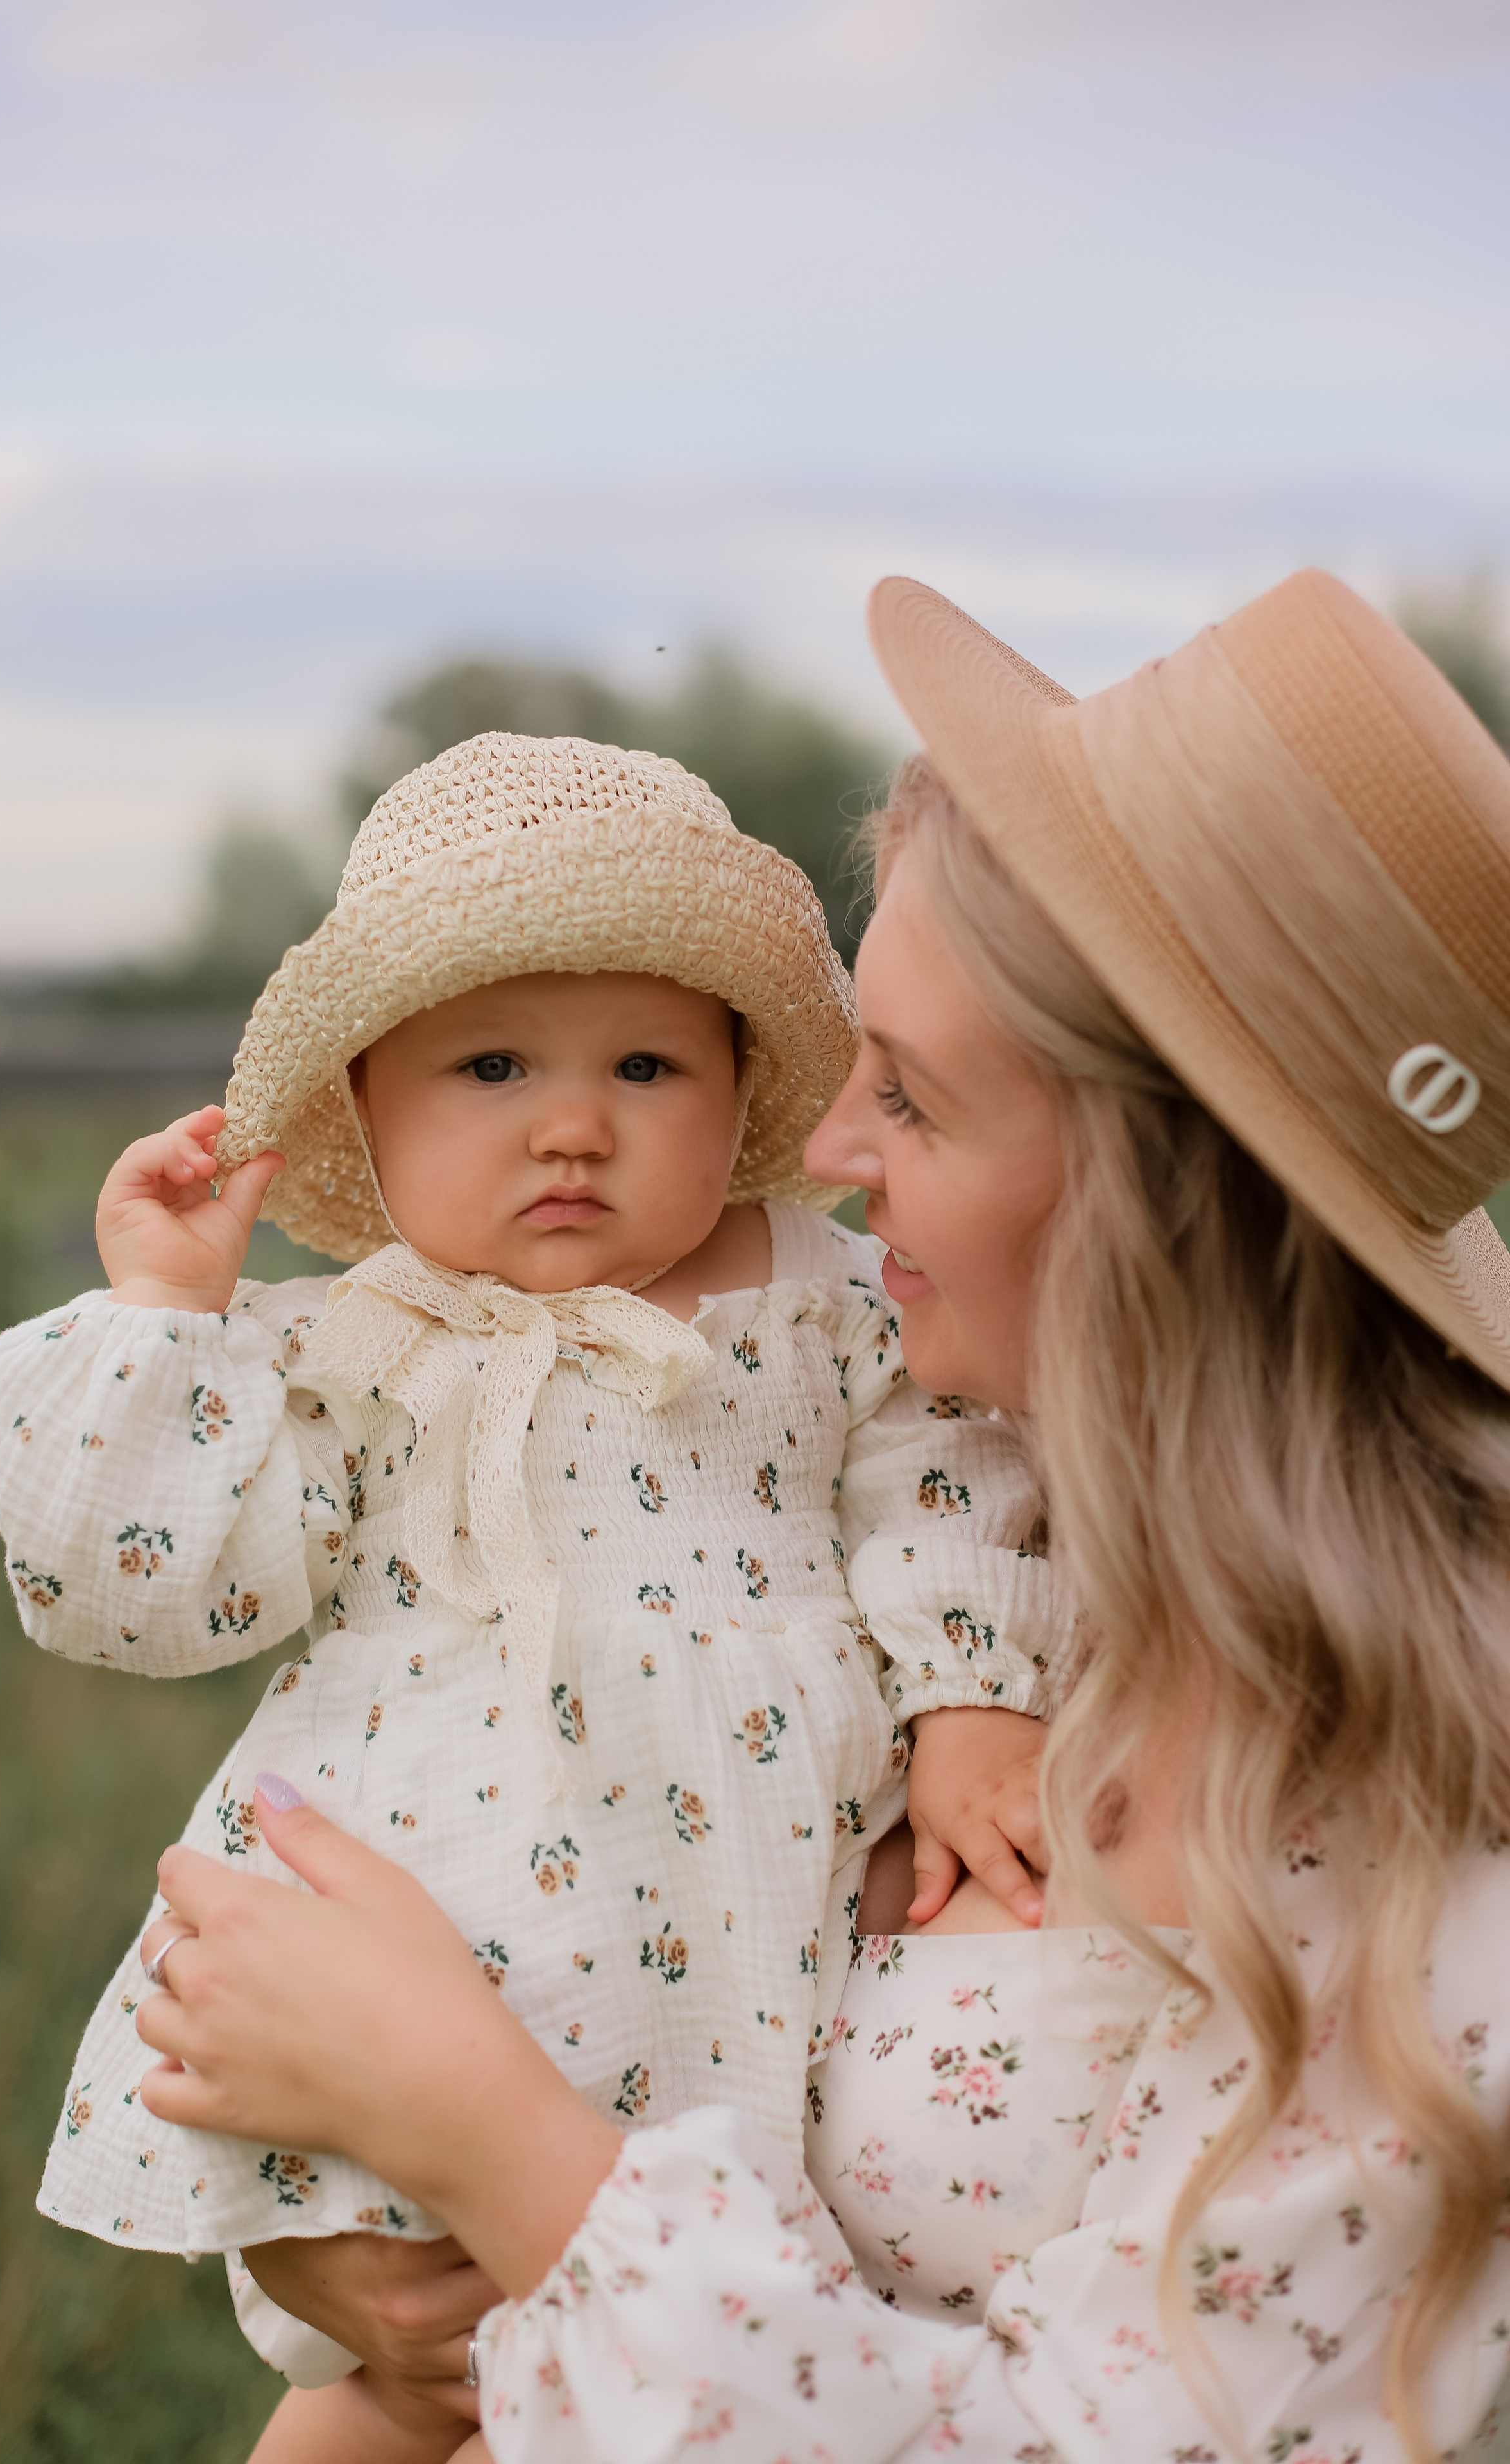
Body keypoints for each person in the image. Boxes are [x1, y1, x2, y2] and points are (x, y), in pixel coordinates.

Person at [128, 569, 1510, 2461]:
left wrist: (491, 2139)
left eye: (915, 1102)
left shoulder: (1429, 1868)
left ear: (1149, 1197)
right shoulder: (972, 1570)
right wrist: (364, 2240)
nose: (829, 1157)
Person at [0, 733, 1073, 2461]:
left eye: (646, 1064)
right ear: (367, 1104)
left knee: (682, 2335)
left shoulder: (831, 1301)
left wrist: (971, 1695)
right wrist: (163, 1326)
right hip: (447, 1951)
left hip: (743, 1918)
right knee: (392, 2397)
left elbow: (948, 1470)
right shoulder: (364, 1342)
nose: (574, 1124)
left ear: (742, 1089)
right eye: (490, 1066)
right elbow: (143, 1592)